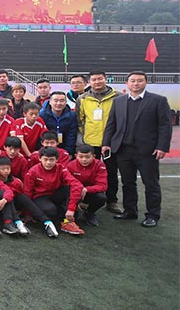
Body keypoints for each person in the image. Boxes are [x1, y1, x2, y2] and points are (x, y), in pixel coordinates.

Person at [102, 71, 172, 227]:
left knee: (151, 183)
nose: (136, 83)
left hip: (147, 151)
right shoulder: (118, 101)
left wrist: (162, 146)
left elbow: (165, 126)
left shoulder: (158, 100)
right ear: (127, 83)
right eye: (132, 81)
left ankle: (153, 215)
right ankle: (130, 211)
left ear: (146, 82)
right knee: (127, 182)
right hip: (123, 150)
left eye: (140, 81)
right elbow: (111, 124)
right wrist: (106, 143)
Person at [76, 69, 123, 214]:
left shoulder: (118, 97)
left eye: (100, 79)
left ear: (105, 79)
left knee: (111, 172)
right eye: (94, 79)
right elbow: (80, 120)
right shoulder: (82, 98)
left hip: (111, 142)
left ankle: (112, 201)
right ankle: (87, 200)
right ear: (89, 82)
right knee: (88, 173)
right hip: (91, 142)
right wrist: (86, 137)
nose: (97, 82)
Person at [23, 147, 85, 236]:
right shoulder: (32, 172)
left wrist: (71, 208)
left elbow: (76, 184)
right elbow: (27, 193)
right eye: (45, 159)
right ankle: (61, 219)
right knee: (51, 211)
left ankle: (67, 222)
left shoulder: (61, 168)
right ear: (40, 159)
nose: (48, 162)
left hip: (55, 194)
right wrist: (27, 213)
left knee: (73, 189)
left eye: (51, 160)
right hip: (40, 197)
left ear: (57, 159)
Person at [66, 144, 108, 227]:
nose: (84, 159)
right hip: (74, 193)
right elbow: (66, 185)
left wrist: (86, 189)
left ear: (93, 156)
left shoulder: (100, 165)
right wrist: (75, 201)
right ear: (76, 156)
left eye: (87, 157)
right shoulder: (70, 165)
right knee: (71, 217)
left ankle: (89, 213)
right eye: (81, 157)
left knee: (101, 198)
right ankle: (73, 210)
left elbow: (103, 185)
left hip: (89, 192)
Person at [40, 91, 78, 156]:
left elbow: (71, 136)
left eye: (62, 101)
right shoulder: (42, 115)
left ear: (66, 102)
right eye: (56, 101)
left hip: (64, 146)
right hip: (47, 147)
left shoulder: (72, 115)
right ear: (50, 102)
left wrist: (68, 153)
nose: (59, 103)